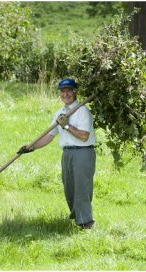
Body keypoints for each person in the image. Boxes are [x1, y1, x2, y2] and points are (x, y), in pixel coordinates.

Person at [18, 79, 96, 229]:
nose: (65, 94)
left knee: (82, 188)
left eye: (69, 90)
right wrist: (30, 147)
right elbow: (49, 136)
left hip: (83, 153)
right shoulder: (59, 114)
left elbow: (84, 136)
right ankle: (78, 218)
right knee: (69, 188)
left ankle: (87, 222)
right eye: (62, 91)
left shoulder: (82, 111)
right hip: (67, 153)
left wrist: (66, 125)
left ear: (75, 92)